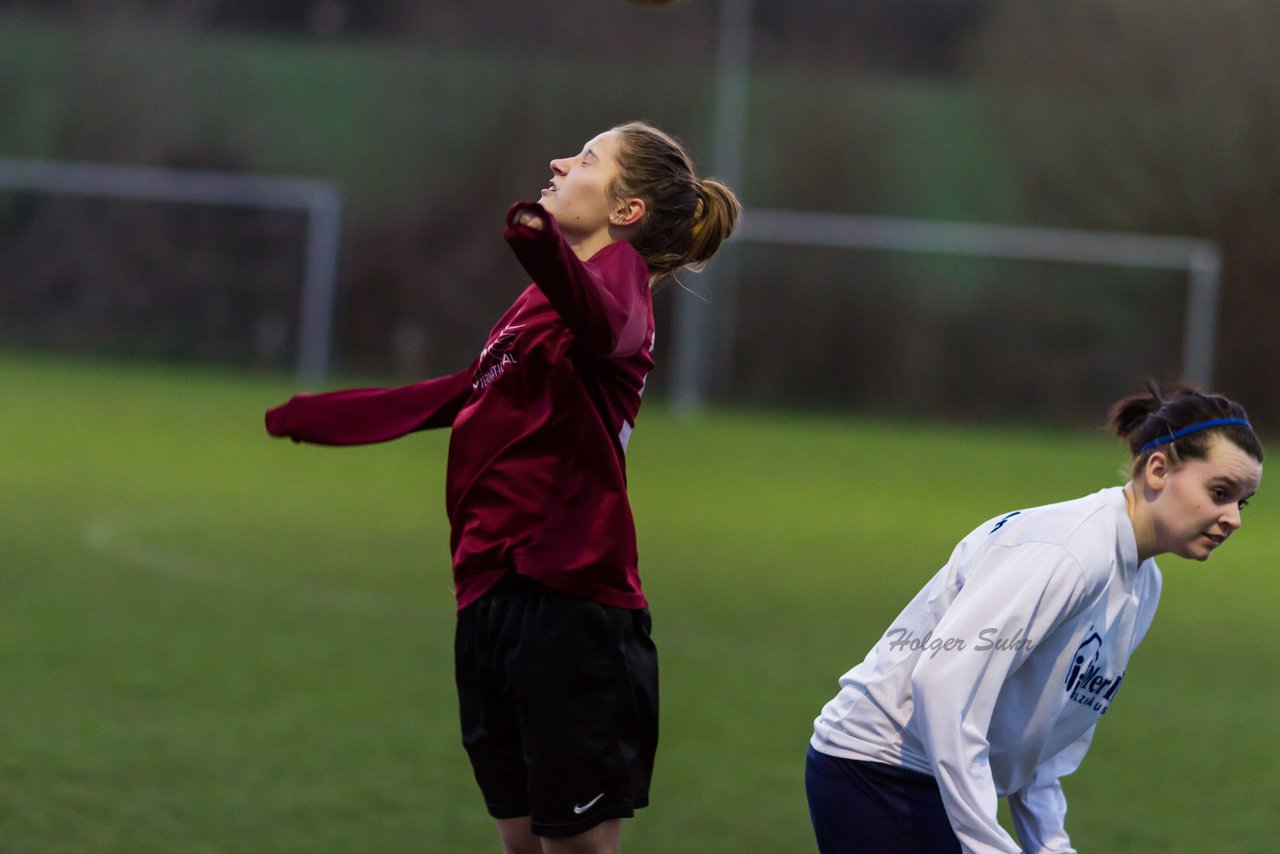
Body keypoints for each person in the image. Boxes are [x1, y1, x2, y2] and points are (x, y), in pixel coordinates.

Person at [264, 122, 740, 854]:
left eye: (585, 159)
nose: (559, 162)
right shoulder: (535, 308)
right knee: (522, 840)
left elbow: (609, 323)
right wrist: (328, 416)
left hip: (568, 606)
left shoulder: (619, 287)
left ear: (627, 212)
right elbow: (462, 394)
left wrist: (541, 244)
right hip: (489, 594)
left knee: (575, 848)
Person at [806, 384, 1263, 853]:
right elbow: (942, 682)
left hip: (926, 780)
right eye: (1220, 492)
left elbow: (1039, 737)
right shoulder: (1072, 552)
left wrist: (1049, 845)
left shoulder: (1143, 584)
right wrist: (988, 844)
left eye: (1241, 502)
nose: (1233, 518)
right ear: (1159, 469)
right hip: (880, 773)